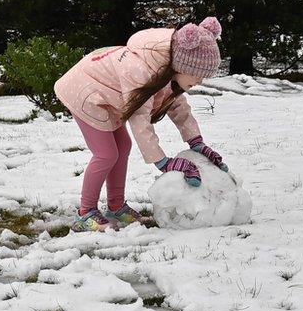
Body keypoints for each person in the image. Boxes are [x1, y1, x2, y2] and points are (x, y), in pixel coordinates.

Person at [54, 17, 229, 232]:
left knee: (122, 147)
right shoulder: (142, 71)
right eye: (198, 75)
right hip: (86, 93)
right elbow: (140, 118)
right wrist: (163, 162)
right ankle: (85, 212)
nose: (200, 81)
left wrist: (196, 141)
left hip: (109, 96)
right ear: (184, 65)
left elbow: (177, 105)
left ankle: (116, 206)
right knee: (106, 153)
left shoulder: (168, 70)